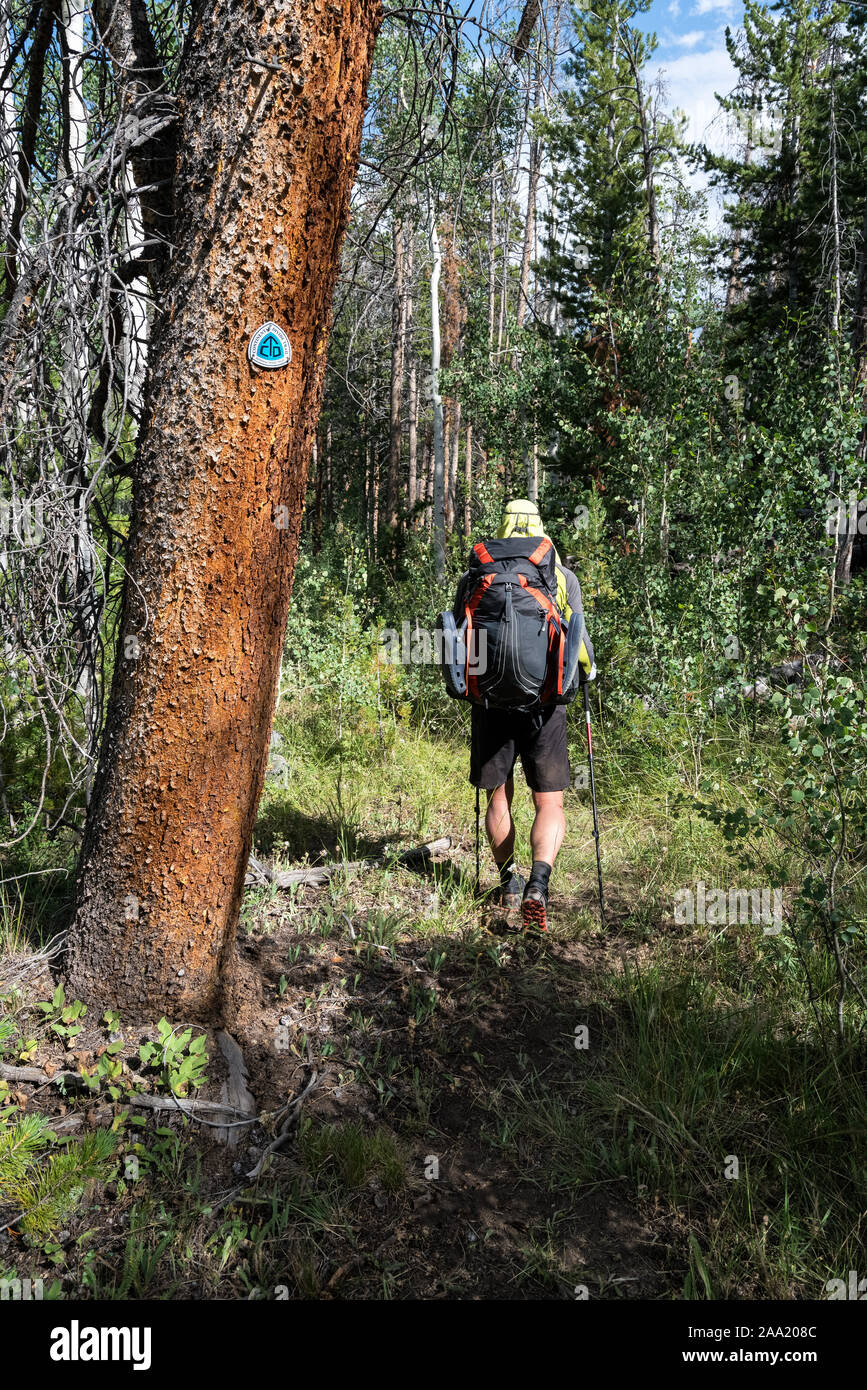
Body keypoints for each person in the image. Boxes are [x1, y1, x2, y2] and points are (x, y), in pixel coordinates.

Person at [466, 499, 596, 932]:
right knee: (550, 800)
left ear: (502, 525)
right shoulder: (560, 575)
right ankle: (538, 886)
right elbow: (579, 644)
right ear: (539, 526)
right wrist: (588, 672)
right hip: (545, 704)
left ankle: (508, 885)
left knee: (498, 797)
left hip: (491, 703)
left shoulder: (477, 572)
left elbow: (457, 632)